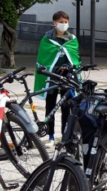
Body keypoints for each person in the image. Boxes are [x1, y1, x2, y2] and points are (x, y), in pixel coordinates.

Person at [34, 11, 80, 148]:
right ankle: (51, 136)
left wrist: (69, 67)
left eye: (66, 22)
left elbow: (75, 58)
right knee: (51, 107)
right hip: (51, 76)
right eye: (61, 22)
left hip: (66, 77)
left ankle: (65, 137)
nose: (63, 25)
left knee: (66, 107)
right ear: (54, 22)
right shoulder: (47, 39)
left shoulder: (72, 39)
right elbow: (43, 58)